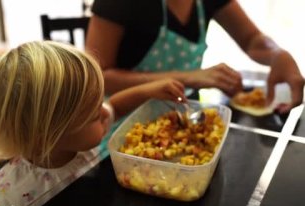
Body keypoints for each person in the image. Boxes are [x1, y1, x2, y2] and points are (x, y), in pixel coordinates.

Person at [0, 40, 186, 206]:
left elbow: (115, 105)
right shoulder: (14, 193)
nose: (104, 113)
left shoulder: (77, 141)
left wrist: (150, 90)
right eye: (94, 115)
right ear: (50, 134)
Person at [85, 0, 305, 113]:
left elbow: (252, 39)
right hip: (119, 118)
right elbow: (98, 78)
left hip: (184, 112)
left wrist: (277, 55)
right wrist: (189, 77)